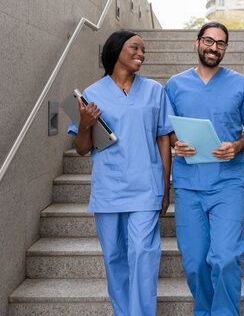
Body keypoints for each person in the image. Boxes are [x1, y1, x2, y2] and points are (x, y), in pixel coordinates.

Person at [68, 30, 174, 315]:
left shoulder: (155, 90)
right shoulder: (91, 93)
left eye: (143, 49)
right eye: (135, 48)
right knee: (115, 257)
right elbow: (80, 148)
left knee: (142, 254)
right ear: (116, 51)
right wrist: (84, 123)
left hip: (145, 186)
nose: (141, 53)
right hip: (109, 187)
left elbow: (164, 138)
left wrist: (165, 185)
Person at [164, 21, 244, 315]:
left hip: (227, 184)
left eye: (221, 43)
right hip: (188, 183)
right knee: (194, 261)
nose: (214, 47)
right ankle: (205, 310)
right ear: (197, 43)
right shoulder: (175, 85)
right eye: (209, 41)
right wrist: (175, 143)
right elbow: (167, 130)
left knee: (225, 257)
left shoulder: (241, 84)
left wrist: (236, 145)